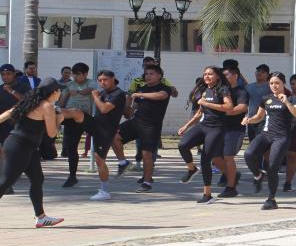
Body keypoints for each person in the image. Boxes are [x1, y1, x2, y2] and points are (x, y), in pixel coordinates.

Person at [0, 77, 68, 229]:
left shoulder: (30, 101)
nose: (60, 93)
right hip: (19, 147)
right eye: (59, 90)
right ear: (53, 92)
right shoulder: (47, 107)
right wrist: (59, 120)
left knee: (37, 179)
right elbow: (51, 134)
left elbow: (9, 112)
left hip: (24, 146)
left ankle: (41, 217)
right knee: (6, 180)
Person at [243, 72, 296, 209]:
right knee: (249, 154)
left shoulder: (292, 98)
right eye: (271, 83)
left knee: (272, 166)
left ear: (283, 84)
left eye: (277, 83)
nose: (274, 86)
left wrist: (287, 102)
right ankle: (258, 175)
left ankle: (271, 199)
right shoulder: (266, 98)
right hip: (266, 134)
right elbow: (259, 117)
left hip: (281, 137)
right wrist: (249, 119)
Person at [177, 66, 233, 204]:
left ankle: (207, 194)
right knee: (182, 145)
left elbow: (229, 107)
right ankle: (191, 169)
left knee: (205, 158)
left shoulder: (223, 89)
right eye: (205, 74)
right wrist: (186, 125)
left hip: (216, 128)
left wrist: (207, 103)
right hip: (203, 125)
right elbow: (200, 112)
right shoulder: (205, 90)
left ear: (218, 76)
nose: (207, 76)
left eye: (210, 74)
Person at [117, 65, 171, 193]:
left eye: (151, 74)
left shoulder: (164, 88)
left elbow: (161, 96)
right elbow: (130, 112)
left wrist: (141, 94)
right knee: (114, 135)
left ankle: (147, 182)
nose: (148, 76)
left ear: (159, 76)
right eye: (146, 74)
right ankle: (123, 162)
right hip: (136, 121)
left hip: (151, 125)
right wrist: (127, 103)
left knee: (146, 154)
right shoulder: (141, 89)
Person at [77, 70, 129, 201]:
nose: (102, 82)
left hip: (105, 130)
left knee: (99, 160)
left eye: (105, 79)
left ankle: (105, 191)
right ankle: (58, 114)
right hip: (98, 125)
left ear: (113, 79)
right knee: (75, 113)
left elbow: (104, 109)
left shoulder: (118, 94)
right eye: (100, 80)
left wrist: (95, 96)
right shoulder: (104, 92)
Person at [59, 62, 98, 187]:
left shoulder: (91, 82)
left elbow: (89, 90)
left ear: (85, 74)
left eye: (78, 75)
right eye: (74, 75)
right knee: (72, 148)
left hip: (85, 117)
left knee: (101, 139)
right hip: (71, 118)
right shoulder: (69, 85)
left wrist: (76, 92)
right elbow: (62, 101)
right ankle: (72, 176)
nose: (75, 77)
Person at [215, 65, 248, 197]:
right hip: (218, 128)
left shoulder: (242, 92)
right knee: (215, 158)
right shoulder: (220, 90)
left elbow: (241, 108)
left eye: (226, 74)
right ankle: (233, 175)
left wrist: (222, 113)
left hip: (235, 129)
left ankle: (231, 187)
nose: (223, 77)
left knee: (228, 156)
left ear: (235, 76)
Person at [244, 64, 271, 143]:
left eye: (262, 72)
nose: (259, 73)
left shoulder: (270, 87)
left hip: (265, 121)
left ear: (267, 75)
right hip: (251, 120)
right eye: (258, 71)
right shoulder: (248, 87)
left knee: (262, 145)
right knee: (252, 144)